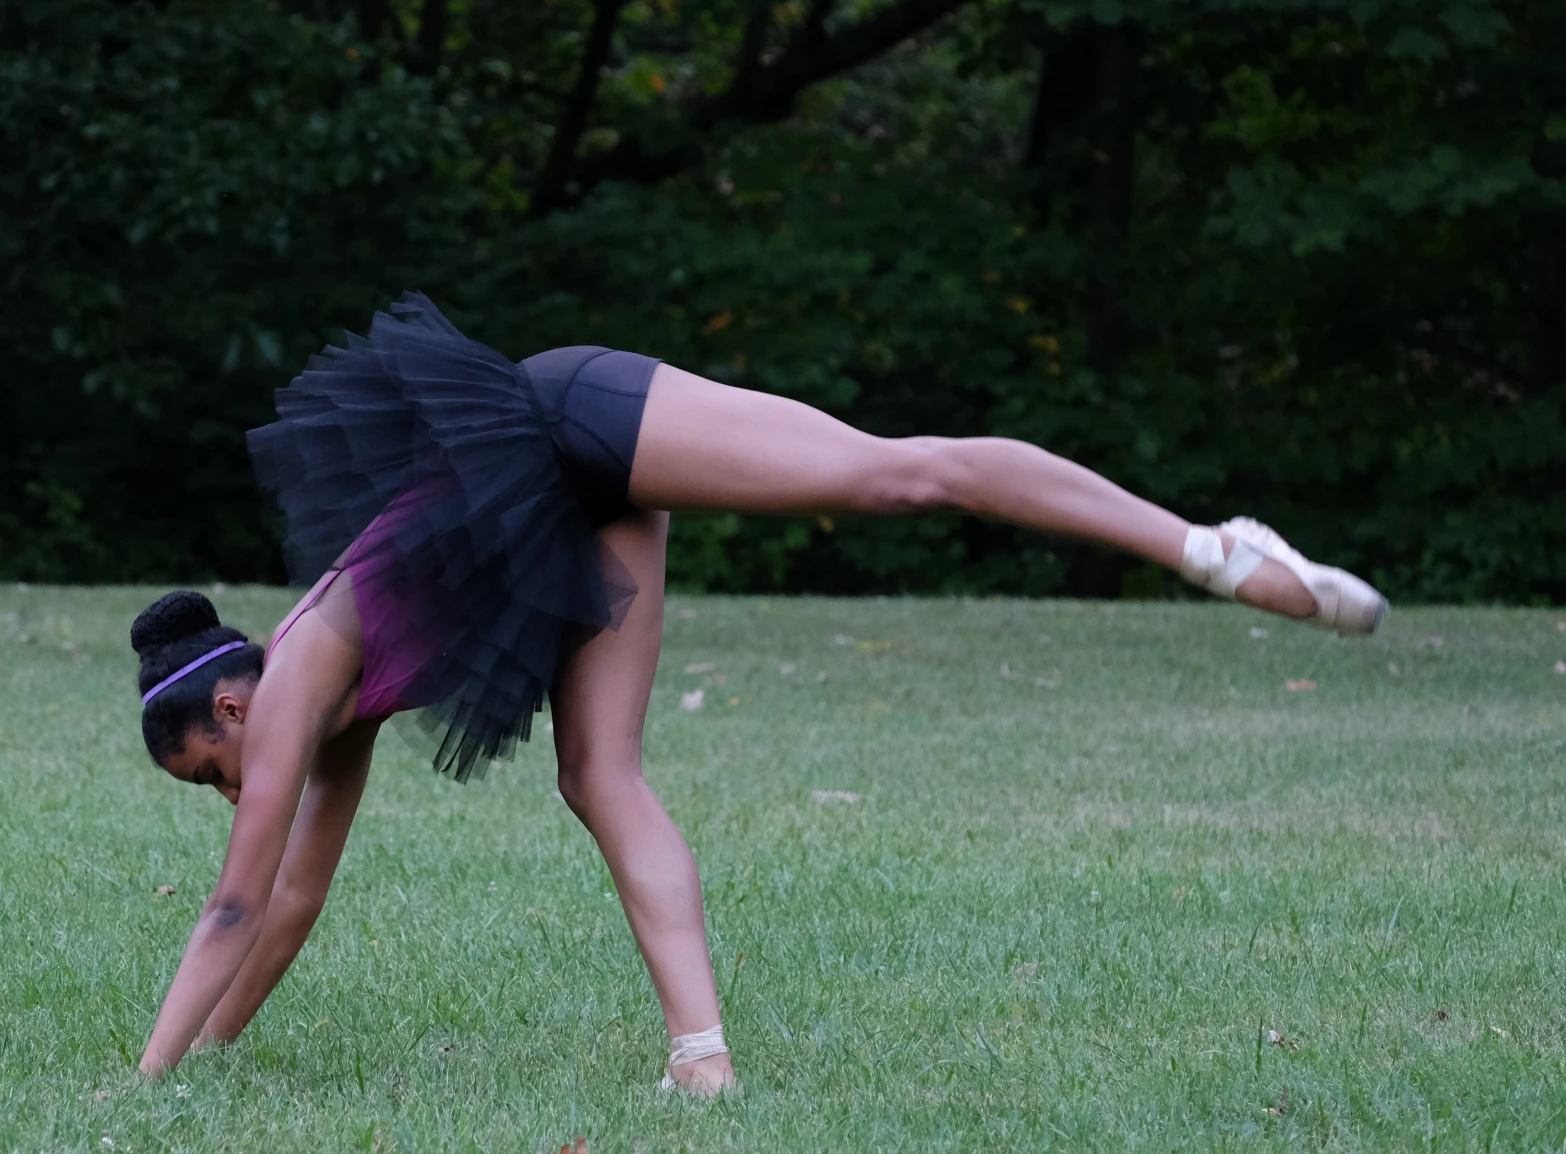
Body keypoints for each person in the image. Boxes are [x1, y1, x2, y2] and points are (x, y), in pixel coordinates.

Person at [130, 294, 1385, 1092]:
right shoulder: (331, 715)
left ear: (228, 713)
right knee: (598, 776)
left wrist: (135, 1084)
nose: (227, 793)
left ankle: (1205, 546)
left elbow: (236, 903)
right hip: (560, 508)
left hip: (571, 413)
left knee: (897, 477)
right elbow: (294, 902)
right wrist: (197, 1071)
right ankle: (702, 1060)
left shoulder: (291, 678)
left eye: (208, 772)